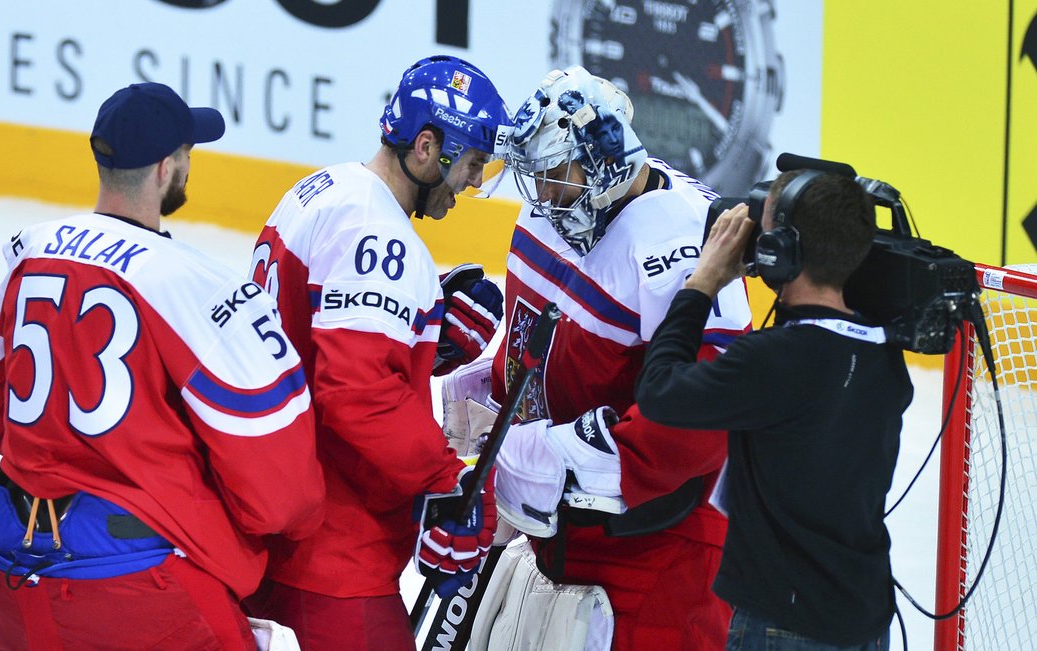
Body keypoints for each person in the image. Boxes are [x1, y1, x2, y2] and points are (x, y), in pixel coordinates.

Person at [0, 82, 325, 649]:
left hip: (9, 578)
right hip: (140, 583)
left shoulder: (26, 253)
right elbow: (281, 492)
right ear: (168, 168)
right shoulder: (192, 284)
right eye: (189, 154)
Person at [241, 55, 512, 650]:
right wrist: (447, 479)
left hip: (273, 524)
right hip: (333, 550)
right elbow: (357, 394)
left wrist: (420, 346)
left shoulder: (324, 188)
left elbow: (313, 344)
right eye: (470, 164)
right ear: (425, 146)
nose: (472, 183)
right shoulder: (377, 230)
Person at [487, 66, 753, 650]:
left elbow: (698, 426)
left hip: (659, 559)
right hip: (560, 543)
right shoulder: (554, 210)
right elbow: (534, 339)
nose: (544, 193)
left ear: (605, 160)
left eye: (556, 173)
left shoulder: (685, 243)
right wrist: (485, 386)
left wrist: (549, 459)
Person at [635, 170, 914, 650]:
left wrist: (702, 282)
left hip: (784, 625)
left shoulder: (772, 361)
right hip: (865, 618)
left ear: (782, 250)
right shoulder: (884, 354)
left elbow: (658, 391)